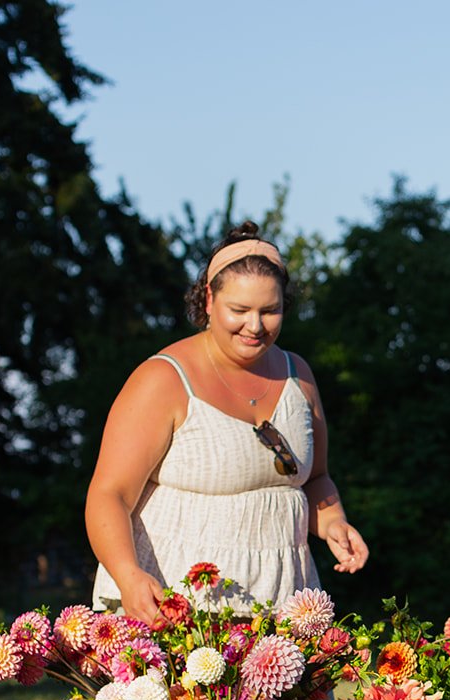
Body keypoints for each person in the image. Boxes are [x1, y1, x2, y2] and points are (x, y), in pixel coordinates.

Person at [85, 222, 368, 624]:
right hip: (174, 607)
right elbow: (109, 495)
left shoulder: (298, 376)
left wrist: (335, 522)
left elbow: (315, 478)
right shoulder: (163, 379)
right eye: (240, 310)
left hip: (280, 601)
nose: (255, 326)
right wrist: (129, 576)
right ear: (209, 300)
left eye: (270, 311)